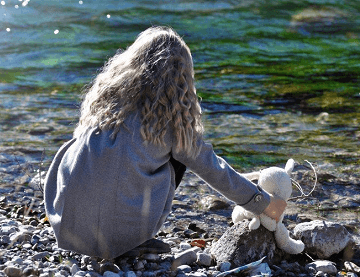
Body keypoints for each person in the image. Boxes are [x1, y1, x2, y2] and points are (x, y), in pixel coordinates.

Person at [44, 26, 286, 260]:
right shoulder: (169, 122)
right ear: (181, 78)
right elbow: (213, 169)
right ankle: (130, 239)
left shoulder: (105, 103)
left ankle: (108, 227)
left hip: (67, 226)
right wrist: (262, 204)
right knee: (181, 154)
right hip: (116, 238)